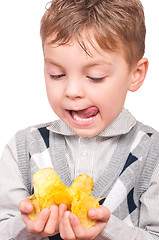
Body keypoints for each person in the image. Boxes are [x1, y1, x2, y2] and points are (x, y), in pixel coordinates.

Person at [0, 0, 159, 239]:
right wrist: (25, 225)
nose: (72, 91)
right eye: (57, 74)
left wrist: (108, 229)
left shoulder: (152, 153)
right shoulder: (23, 148)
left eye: (95, 77)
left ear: (135, 75)